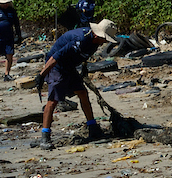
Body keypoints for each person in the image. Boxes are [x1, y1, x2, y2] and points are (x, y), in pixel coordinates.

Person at [36, 18, 118, 149]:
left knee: (82, 93)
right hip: (56, 66)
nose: (106, 42)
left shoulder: (94, 42)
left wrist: (84, 68)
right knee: (53, 100)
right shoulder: (80, 40)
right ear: (98, 35)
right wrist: (42, 75)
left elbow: (83, 55)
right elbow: (56, 56)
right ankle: (45, 136)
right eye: (105, 39)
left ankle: (92, 127)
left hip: (69, 66)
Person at [0, 0, 22, 81]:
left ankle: (7, 74)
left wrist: (19, 35)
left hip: (8, 36)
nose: (5, 4)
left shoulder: (11, 11)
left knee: (9, 55)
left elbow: (16, 24)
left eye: (6, 3)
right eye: (3, 3)